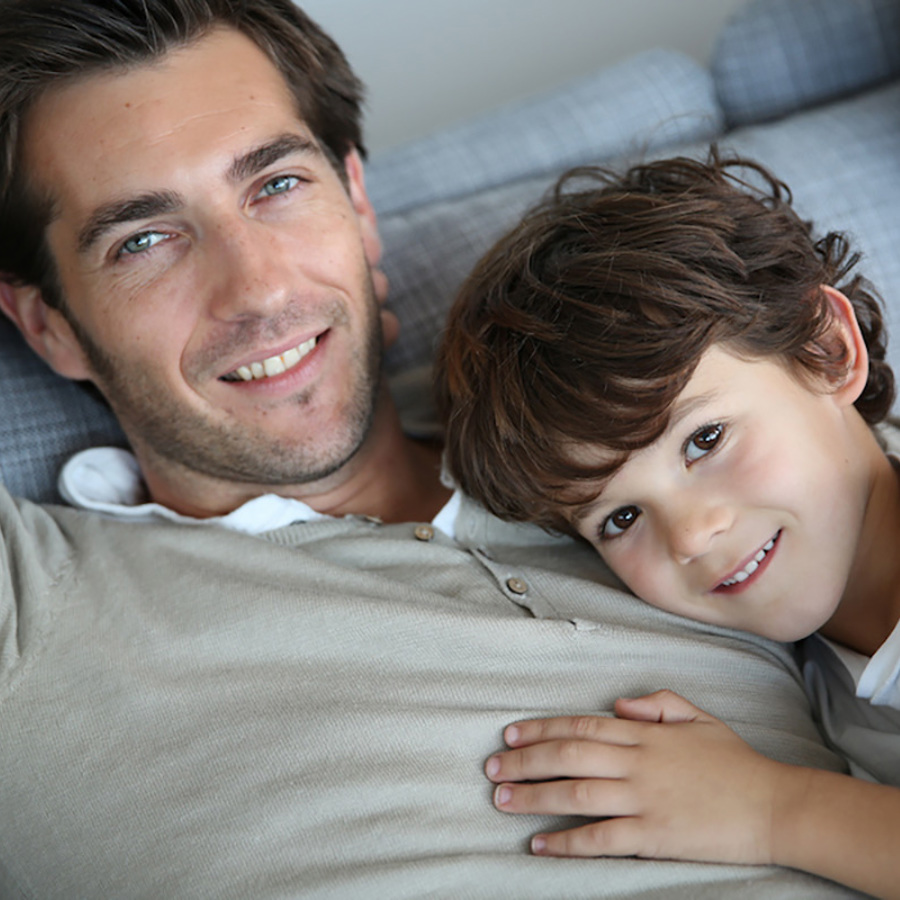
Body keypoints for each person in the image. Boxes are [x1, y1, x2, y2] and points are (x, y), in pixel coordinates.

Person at [0, 2, 863, 896]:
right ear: (47, 322)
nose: (256, 290)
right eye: (144, 240)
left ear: (358, 204)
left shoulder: (623, 419)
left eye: (277, 186)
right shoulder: (32, 605)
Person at [436, 150, 900, 899]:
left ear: (824, 350)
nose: (689, 536)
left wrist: (770, 809)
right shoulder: (814, 672)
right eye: (621, 517)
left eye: (705, 440)